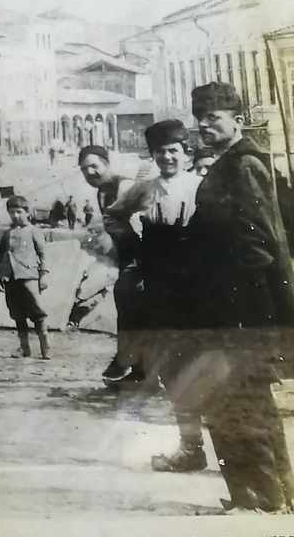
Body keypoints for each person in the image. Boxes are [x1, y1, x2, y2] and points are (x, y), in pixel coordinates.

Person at [184, 82, 294, 513]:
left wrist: (229, 295)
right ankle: (263, 493)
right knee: (239, 398)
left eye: (213, 117)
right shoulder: (228, 163)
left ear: (238, 120)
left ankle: (267, 495)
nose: (203, 125)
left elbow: (258, 244)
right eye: (200, 117)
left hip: (241, 308)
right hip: (231, 305)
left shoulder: (243, 165)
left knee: (243, 398)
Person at [106, 119, 205, 473]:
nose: (168, 158)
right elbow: (113, 217)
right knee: (173, 366)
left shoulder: (201, 187)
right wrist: (132, 246)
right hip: (158, 282)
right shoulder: (143, 189)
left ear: (187, 153)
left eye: (174, 151)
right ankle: (190, 445)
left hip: (197, 282)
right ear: (153, 155)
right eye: (160, 152)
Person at [78, 144, 143, 385]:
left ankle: (129, 362)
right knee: (128, 309)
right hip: (127, 257)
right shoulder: (102, 192)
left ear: (107, 163)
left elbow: (139, 222)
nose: (90, 173)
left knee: (132, 307)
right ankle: (136, 370)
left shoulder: (123, 185)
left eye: (94, 166)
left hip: (143, 256)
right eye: (85, 170)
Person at [0, 195, 50, 360]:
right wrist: (0, 275)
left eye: (19, 212)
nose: (15, 215)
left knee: (38, 312)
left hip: (29, 276)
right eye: (12, 212)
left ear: (27, 212)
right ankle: (25, 348)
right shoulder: (7, 234)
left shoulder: (34, 231)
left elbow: (43, 254)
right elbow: (1, 255)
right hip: (10, 278)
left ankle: (45, 347)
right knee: (17, 313)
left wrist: (44, 275)